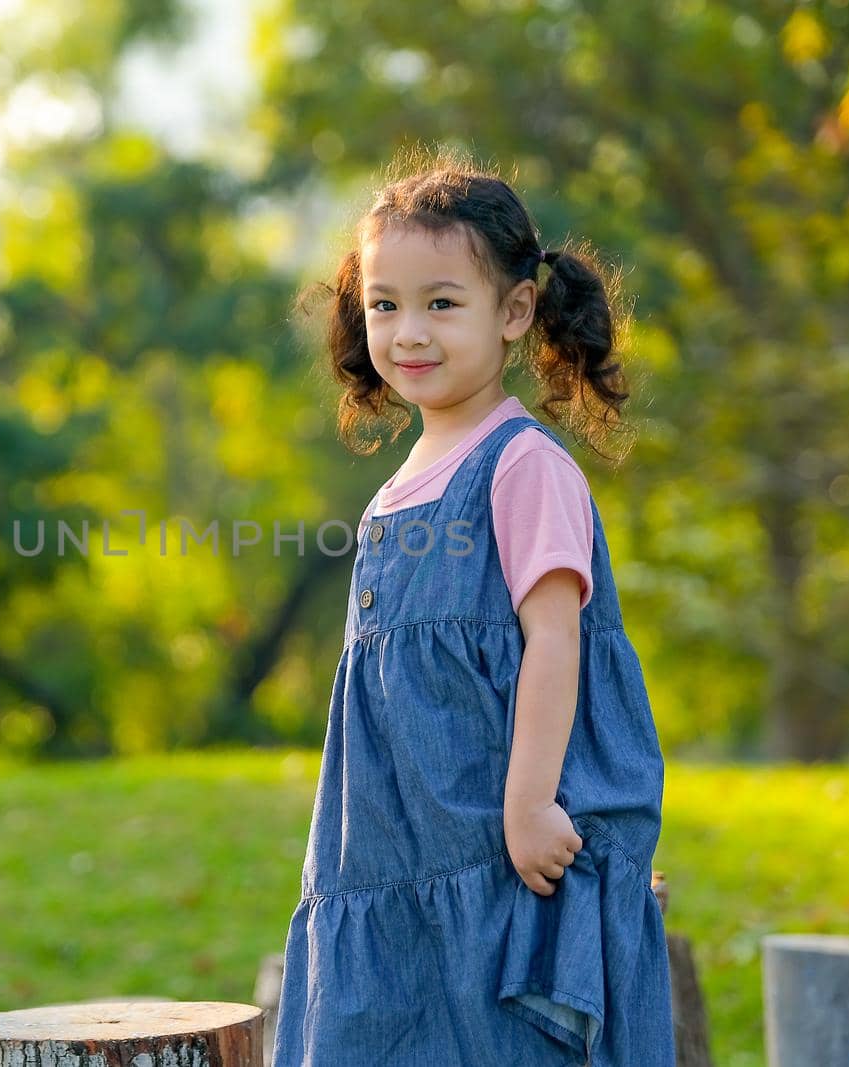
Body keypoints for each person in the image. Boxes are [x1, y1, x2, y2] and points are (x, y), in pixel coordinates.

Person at [270, 148, 673, 1066]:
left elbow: (554, 640)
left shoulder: (521, 465)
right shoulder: (395, 492)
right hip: (393, 852)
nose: (409, 331)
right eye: (385, 304)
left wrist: (532, 802)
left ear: (515, 312)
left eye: (441, 303)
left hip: (496, 849)